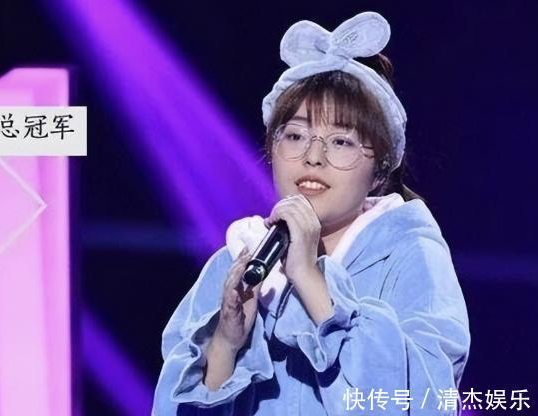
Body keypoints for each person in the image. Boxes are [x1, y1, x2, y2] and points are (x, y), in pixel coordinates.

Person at [152, 11, 471, 416]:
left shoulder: (409, 256)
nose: (313, 156)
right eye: (295, 135)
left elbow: (422, 401)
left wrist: (309, 279)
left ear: (380, 171)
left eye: (341, 141)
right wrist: (226, 346)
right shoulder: (239, 261)